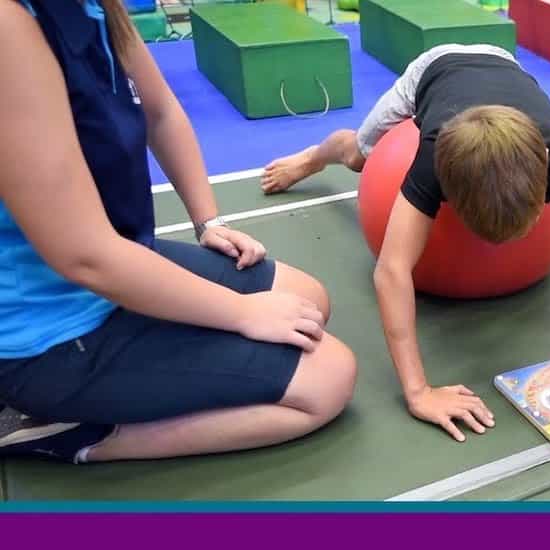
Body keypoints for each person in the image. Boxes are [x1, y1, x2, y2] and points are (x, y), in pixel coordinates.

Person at [0, 0, 357, 464]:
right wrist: (242, 312)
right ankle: (80, 435)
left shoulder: (96, 7)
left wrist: (207, 221)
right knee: (328, 378)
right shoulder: (10, 27)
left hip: (112, 266)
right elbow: (83, 256)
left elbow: (161, 111)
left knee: (308, 300)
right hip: (51, 336)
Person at [261, 44, 550, 443]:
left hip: (503, 65)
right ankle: (313, 157)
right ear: (449, 188)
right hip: (436, 69)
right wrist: (418, 391)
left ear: (545, 172)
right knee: (359, 156)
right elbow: (391, 271)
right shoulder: (433, 160)